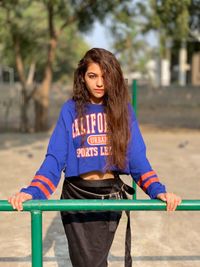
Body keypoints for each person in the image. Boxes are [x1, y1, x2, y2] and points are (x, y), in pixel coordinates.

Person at [8, 48, 181, 267]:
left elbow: (137, 158)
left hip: (108, 196)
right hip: (75, 197)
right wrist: (32, 192)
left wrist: (158, 190)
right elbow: (55, 158)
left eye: (105, 76)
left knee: (93, 263)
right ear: (83, 77)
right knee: (86, 263)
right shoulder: (70, 109)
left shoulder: (123, 111)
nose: (100, 83)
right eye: (93, 76)